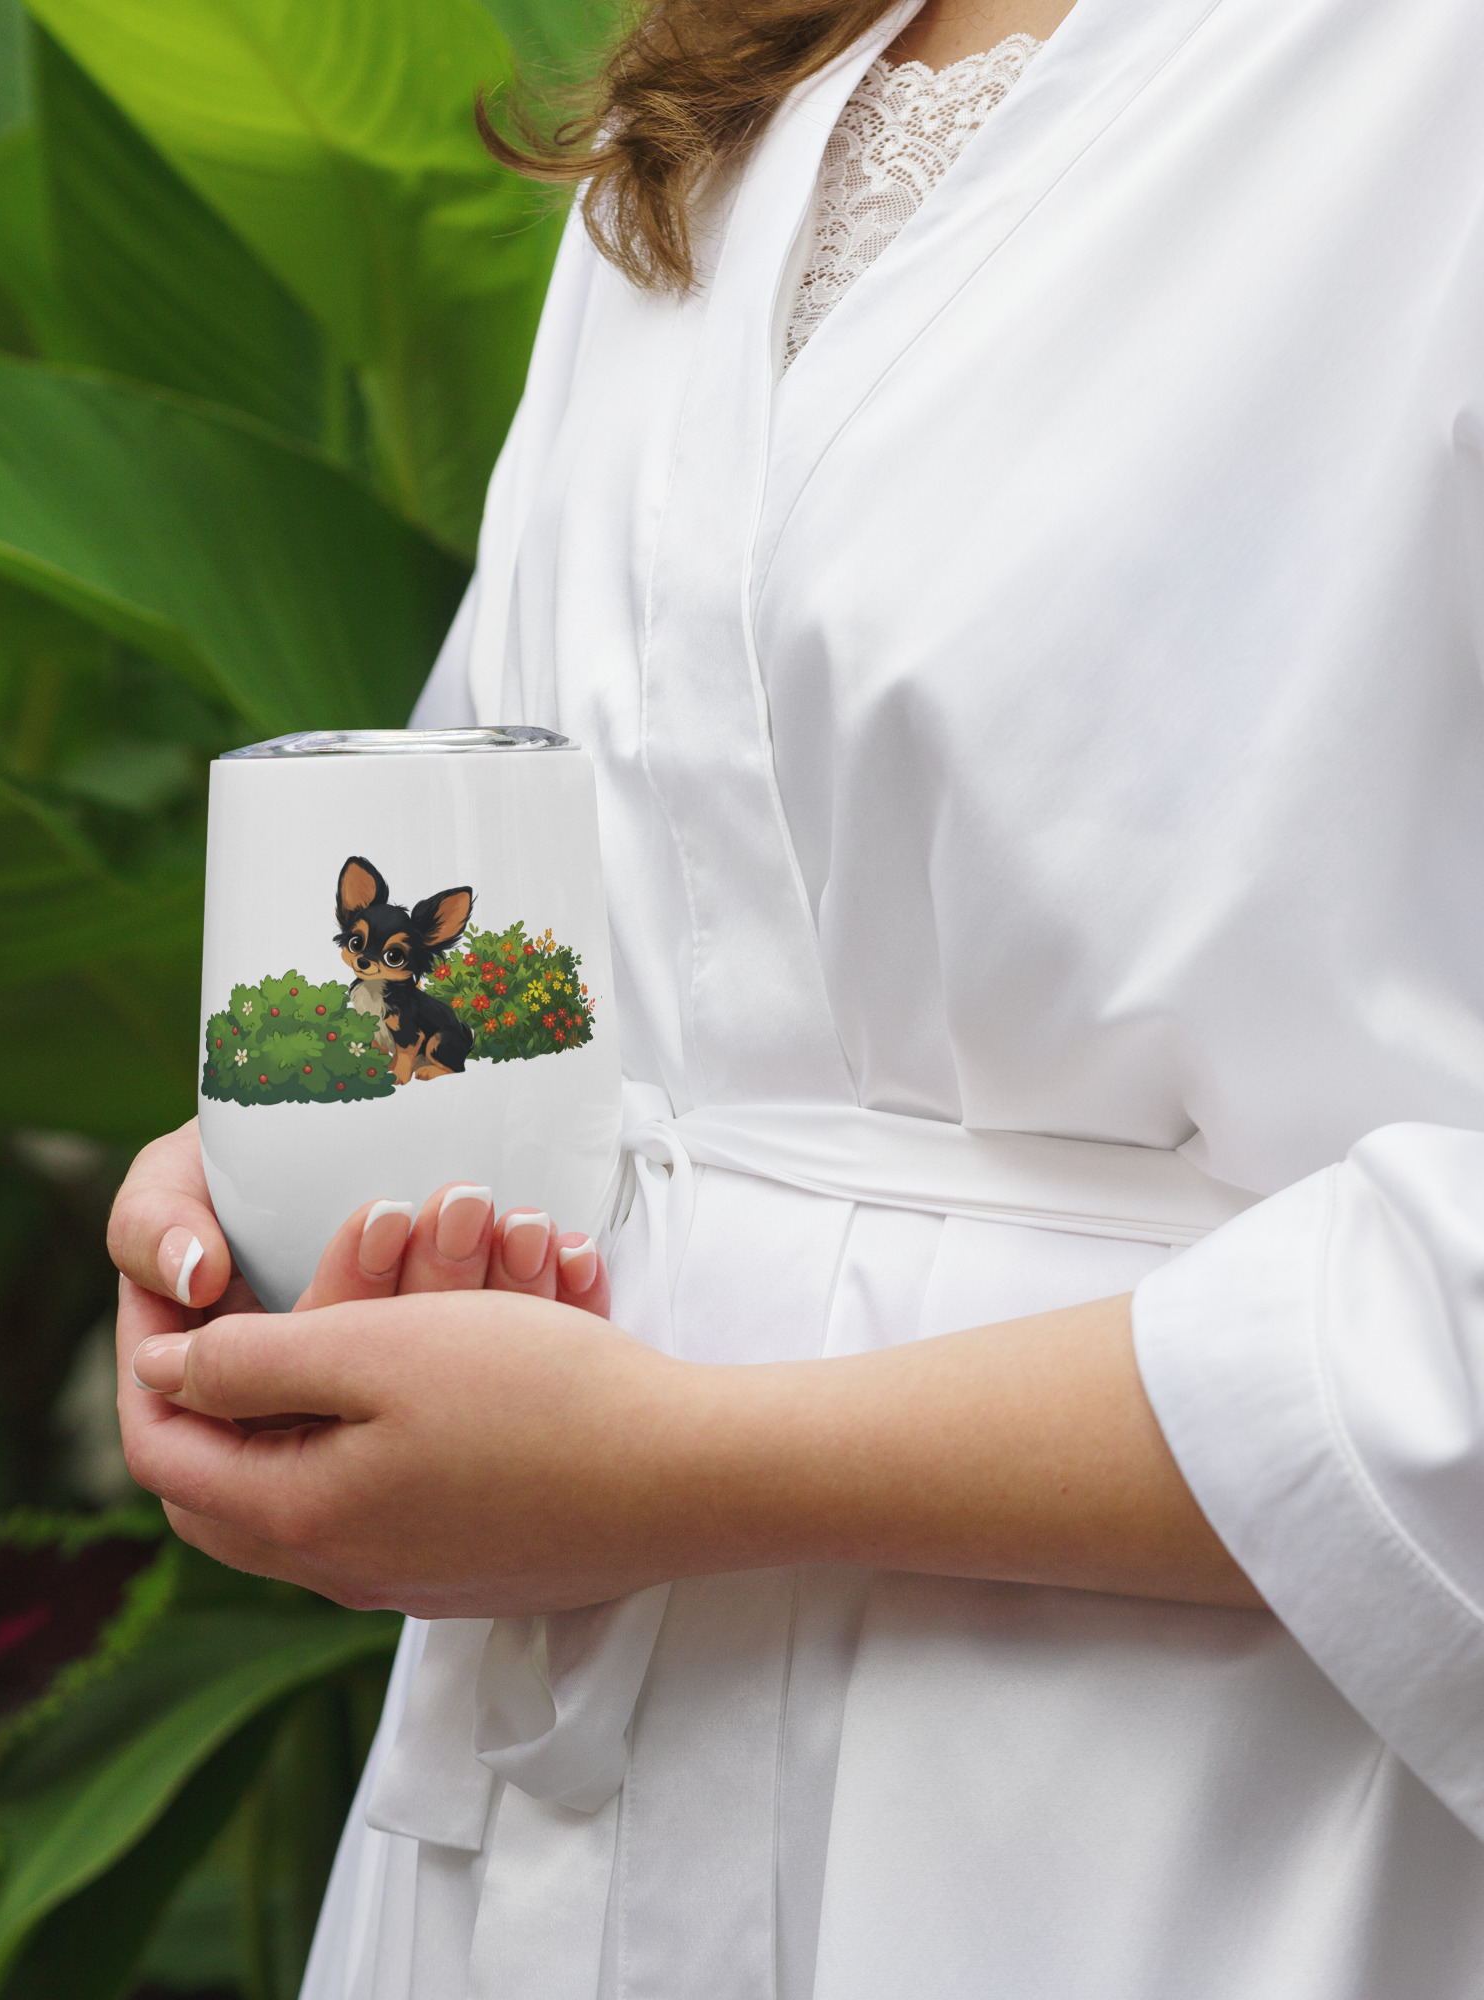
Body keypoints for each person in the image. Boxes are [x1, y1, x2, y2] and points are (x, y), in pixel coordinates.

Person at [108, 0, 1484, 1992]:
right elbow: (566, 897)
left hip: (1192, 1819)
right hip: (561, 1810)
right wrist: (302, 1167)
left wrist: (678, 1466)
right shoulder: (735, 76)